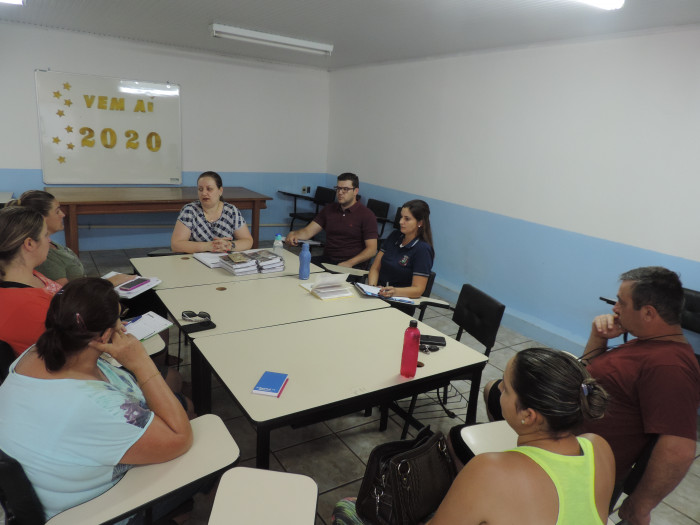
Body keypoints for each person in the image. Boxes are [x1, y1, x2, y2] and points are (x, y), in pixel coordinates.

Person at [332, 348, 615, 525]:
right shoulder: (599, 447)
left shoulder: (491, 471)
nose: (497, 390)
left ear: (528, 415)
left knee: (346, 508)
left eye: (505, 388)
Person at [0, 278, 193, 521]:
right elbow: (180, 438)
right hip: (96, 510)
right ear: (104, 336)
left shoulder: (36, 352)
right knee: (208, 456)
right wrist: (141, 361)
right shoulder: (96, 405)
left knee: (173, 385)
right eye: (120, 318)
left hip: (50, 489)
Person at [578, 266, 700, 525]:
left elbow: (678, 450)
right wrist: (598, 337)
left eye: (621, 303)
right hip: (572, 438)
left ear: (648, 313)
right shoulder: (647, 340)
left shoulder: (670, 367)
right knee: (498, 390)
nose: (615, 309)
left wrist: (639, 506)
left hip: (585, 467)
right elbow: (587, 371)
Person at [9, 190, 169, 326]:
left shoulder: (47, 253)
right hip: (86, 307)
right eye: (57, 211)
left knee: (146, 292)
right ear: (41, 218)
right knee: (151, 299)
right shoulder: (44, 259)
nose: (63, 214)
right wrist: (108, 285)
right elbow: (69, 297)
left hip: (87, 300)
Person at [0, 206, 62, 355]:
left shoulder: (30, 275)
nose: (49, 240)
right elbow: (66, 354)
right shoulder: (28, 307)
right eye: (45, 235)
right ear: (29, 244)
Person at [285, 173, 378, 268]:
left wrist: (349, 263)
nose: (340, 192)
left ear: (355, 191)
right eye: (338, 188)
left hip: (351, 265)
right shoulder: (329, 209)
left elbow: (372, 250)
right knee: (298, 266)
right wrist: (294, 234)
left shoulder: (367, 215)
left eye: (345, 189)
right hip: (327, 260)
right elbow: (308, 231)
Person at [171, 171, 254, 253]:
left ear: (220, 191)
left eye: (209, 189)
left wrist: (229, 245)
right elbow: (176, 245)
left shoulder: (231, 211)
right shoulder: (189, 211)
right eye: (200, 189)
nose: (204, 193)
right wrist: (208, 246)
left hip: (225, 260)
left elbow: (248, 241)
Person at [367, 199, 434, 299]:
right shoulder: (395, 236)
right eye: (401, 217)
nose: (401, 221)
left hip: (399, 301)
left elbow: (418, 290)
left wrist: (394, 291)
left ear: (420, 222)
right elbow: (375, 268)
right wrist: (372, 288)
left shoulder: (423, 250)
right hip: (379, 294)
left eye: (407, 219)